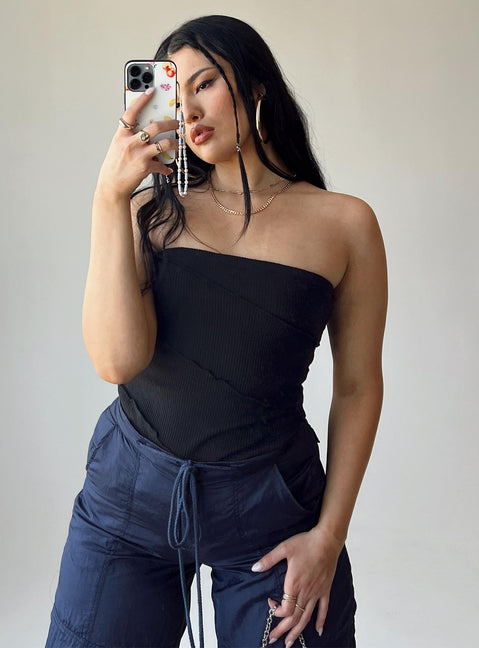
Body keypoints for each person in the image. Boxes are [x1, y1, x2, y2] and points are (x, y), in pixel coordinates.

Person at [45, 14, 387, 648]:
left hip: (271, 510)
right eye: (175, 95)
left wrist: (329, 536)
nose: (190, 110)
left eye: (204, 84)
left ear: (255, 85)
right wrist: (108, 199)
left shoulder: (345, 225)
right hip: (129, 500)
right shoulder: (151, 213)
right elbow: (117, 362)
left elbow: (359, 388)